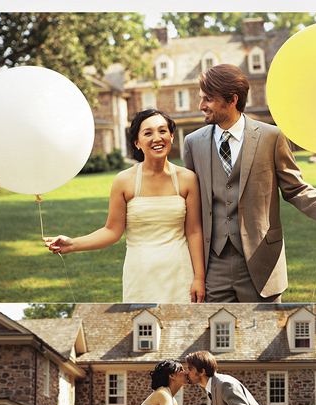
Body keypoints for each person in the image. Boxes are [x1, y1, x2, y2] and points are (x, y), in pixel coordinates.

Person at [182, 64, 316, 303]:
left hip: (261, 264)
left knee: (266, 339)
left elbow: (295, 188)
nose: (201, 106)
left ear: (232, 100)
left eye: (208, 99)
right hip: (213, 267)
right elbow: (188, 206)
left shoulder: (271, 137)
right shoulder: (193, 143)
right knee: (219, 337)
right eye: (202, 98)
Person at [44, 109, 206, 303]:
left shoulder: (187, 179)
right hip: (140, 275)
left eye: (162, 131)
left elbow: (195, 232)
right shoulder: (124, 181)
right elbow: (112, 231)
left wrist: (199, 278)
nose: (157, 138)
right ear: (137, 143)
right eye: (148, 133)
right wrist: (72, 244)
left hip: (180, 273)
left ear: (171, 135)